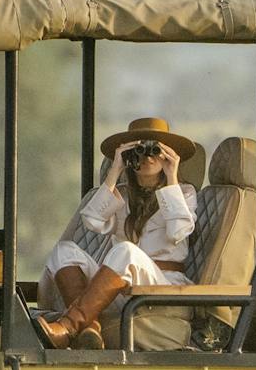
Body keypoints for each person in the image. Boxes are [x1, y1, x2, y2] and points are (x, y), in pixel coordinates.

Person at [40, 116, 198, 349]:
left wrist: (172, 177)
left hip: (161, 285)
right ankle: (90, 328)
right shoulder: (121, 194)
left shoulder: (183, 192)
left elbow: (179, 231)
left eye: (155, 150)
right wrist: (115, 170)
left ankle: (69, 327)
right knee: (64, 251)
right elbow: (92, 221)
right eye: (139, 151)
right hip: (121, 290)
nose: (148, 156)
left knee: (126, 250)